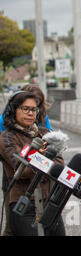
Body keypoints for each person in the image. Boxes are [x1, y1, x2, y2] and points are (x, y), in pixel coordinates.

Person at [0, 91, 65, 236]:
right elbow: (22, 169)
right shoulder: (7, 138)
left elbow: (60, 166)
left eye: (34, 109)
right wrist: (44, 156)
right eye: (25, 109)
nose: (31, 113)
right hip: (24, 204)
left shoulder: (45, 132)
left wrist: (38, 159)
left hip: (50, 202)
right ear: (13, 110)